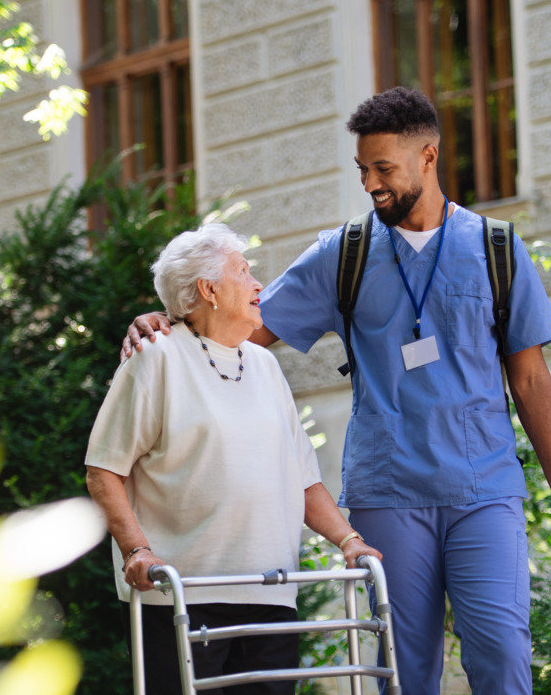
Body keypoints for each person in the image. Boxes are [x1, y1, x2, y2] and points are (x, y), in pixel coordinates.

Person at [121, 87, 551, 695]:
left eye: (384, 168)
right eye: (363, 170)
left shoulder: (496, 250)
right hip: (388, 494)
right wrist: (170, 324)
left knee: (502, 657)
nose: (371, 183)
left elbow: (529, 378)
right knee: (403, 667)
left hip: (483, 489)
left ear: (428, 156)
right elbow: (244, 327)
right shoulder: (344, 254)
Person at [86, 223, 382, 695]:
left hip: (269, 591)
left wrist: (348, 540)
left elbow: (302, 479)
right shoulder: (155, 358)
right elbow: (104, 470)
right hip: (179, 596)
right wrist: (136, 549)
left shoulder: (264, 365)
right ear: (209, 290)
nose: (258, 284)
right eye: (243, 272)